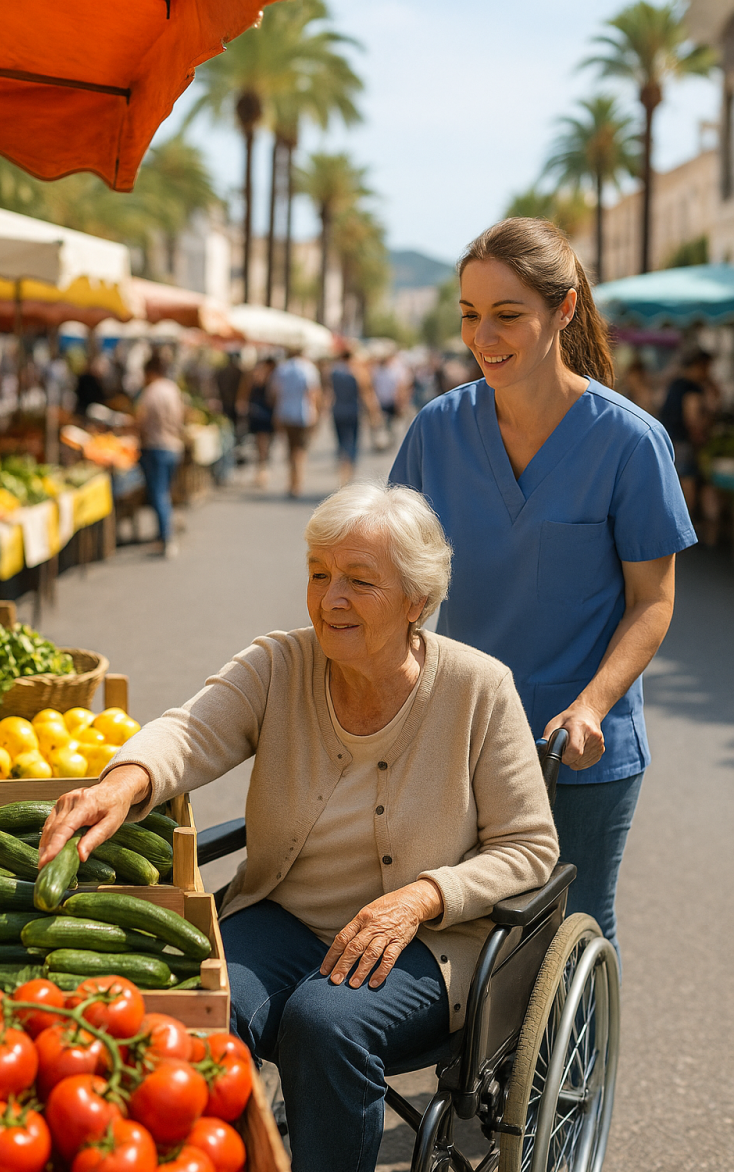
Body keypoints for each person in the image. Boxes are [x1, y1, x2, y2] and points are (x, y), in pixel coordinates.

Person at [38, 482, 558, 1172]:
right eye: (319, 573)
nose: (329, 599)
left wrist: (424, 895)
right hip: (287, 914)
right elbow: (190, 730)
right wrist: (120, 783)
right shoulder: (279, 664)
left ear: (418, 601)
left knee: (325, 1023)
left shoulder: (478, 690)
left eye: (359, 581)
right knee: (202, 1003)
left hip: (425, 943)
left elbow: (530, 846)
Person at [390, 217, 697, 960]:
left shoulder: (629, 441)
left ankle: (580, 1083)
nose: (482, 336)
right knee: (467, 939)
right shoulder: (438, 430)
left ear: (562, 312)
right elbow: (400, 578)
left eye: (507, 315)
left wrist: (591, 705)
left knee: (574, 934)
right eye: (469, 314)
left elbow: (653, 601)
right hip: (465, 738)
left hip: (583, 750)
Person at [659, 348, 721, 546]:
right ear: (700, 366)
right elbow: (692, 418)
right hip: (684, 442)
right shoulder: (692, 388)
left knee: (674, 484)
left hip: (669, 439)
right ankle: (682, 531)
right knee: (688, 484)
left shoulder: (676, 383)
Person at [135, 354, 185, 559]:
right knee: (164, 491)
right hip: (174, 446)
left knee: (158, 494)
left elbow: (141, 420)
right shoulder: (173, 389)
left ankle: (166, 537)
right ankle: (163, 535)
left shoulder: (151, 392)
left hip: (156, 447)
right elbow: (182, 415)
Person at [270, 347, 321, 498]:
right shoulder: (308, 368)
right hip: (303, 413)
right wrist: (316, 413)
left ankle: (292, 481)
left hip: (285, 412)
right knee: (300, 449)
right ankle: (297, 482)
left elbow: (274, 392)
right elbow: (313, 391)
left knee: (290, 447)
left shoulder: (282, 368)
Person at [326, 349, 379, 486]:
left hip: (337, 410)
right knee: (352, 443)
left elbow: (328, 392)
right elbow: (366, 395)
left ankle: (342, 470)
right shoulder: (358, 373)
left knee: (341, 442)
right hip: (353, 412)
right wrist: (373, 414)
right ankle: (347, 474)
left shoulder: (334, 372)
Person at [246, 357, 277, 488]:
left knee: (262, 445)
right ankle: (262, 471)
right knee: (263, 445)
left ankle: (262, 471)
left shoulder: (268, 380)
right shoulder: (269, 380)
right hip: (263, 415)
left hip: (262, 415)